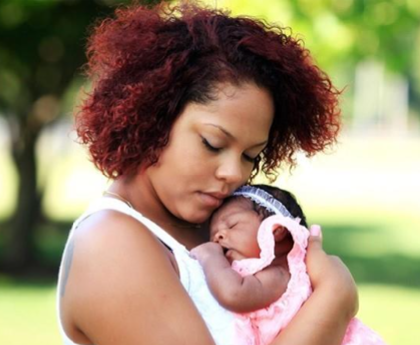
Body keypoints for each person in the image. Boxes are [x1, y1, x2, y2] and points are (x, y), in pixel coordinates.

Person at [57, 2, 358, 345]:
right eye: (212, 143)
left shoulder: (222, 226)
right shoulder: (109, 244)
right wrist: (335, 299)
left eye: (250, 155)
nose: (233, 173)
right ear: (155, 118)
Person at [191, 184, 386, 345]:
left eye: (232, 225)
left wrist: (210, 257)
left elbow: (234, 294)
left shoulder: (281, 275)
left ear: (275, 230)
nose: (218, 236)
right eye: (213, 234)